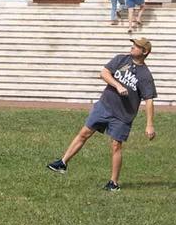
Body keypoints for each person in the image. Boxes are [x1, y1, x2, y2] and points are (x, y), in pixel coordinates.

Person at [47, 36, 158, 191]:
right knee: (84, 133)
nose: (132, 47)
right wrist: (117, 85)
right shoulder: (121, 59)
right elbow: (104, 73)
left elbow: (149, 100)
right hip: (104, 106)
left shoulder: (145, 75)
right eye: (133, 44)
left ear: (145, 51)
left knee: (116, 146)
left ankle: (113, 183)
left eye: (136, 46)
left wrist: (150, 125)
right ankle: (62, 163)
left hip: (122, 116)